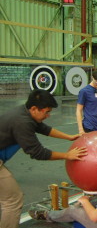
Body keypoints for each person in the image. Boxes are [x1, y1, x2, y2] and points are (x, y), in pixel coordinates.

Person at [0, 89, 87, 228]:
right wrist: (67, 156)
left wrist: (69, 137)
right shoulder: (22, 122)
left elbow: (43, 128)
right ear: (34, 108)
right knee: (13, 200)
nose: (48, 115)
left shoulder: (25, 111)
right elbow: (37, 152)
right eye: (46, 112)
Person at [76, 69, 97, 134]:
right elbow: (78, 110)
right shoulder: (84, 91)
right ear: (92, 77)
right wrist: (80, 129)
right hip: (89, 127)